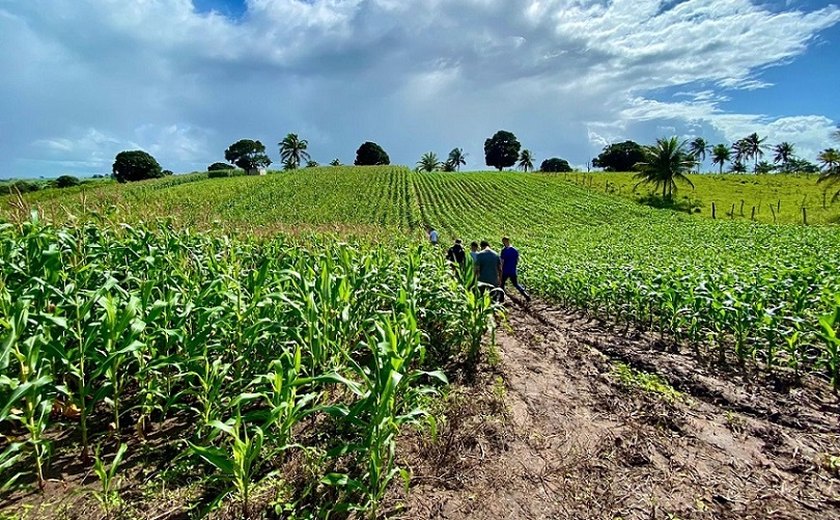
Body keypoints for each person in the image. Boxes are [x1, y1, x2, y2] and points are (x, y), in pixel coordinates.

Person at [500, 236, 531, 303]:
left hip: (505, 270)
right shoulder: (515, 250)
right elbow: (517, 260)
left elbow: (502, 262)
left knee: (501, 284)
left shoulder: (504, 251)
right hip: (513, 270)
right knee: (516, 284)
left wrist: (500, 270)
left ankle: (501, 299)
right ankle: (526, 295)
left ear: (504, 242)